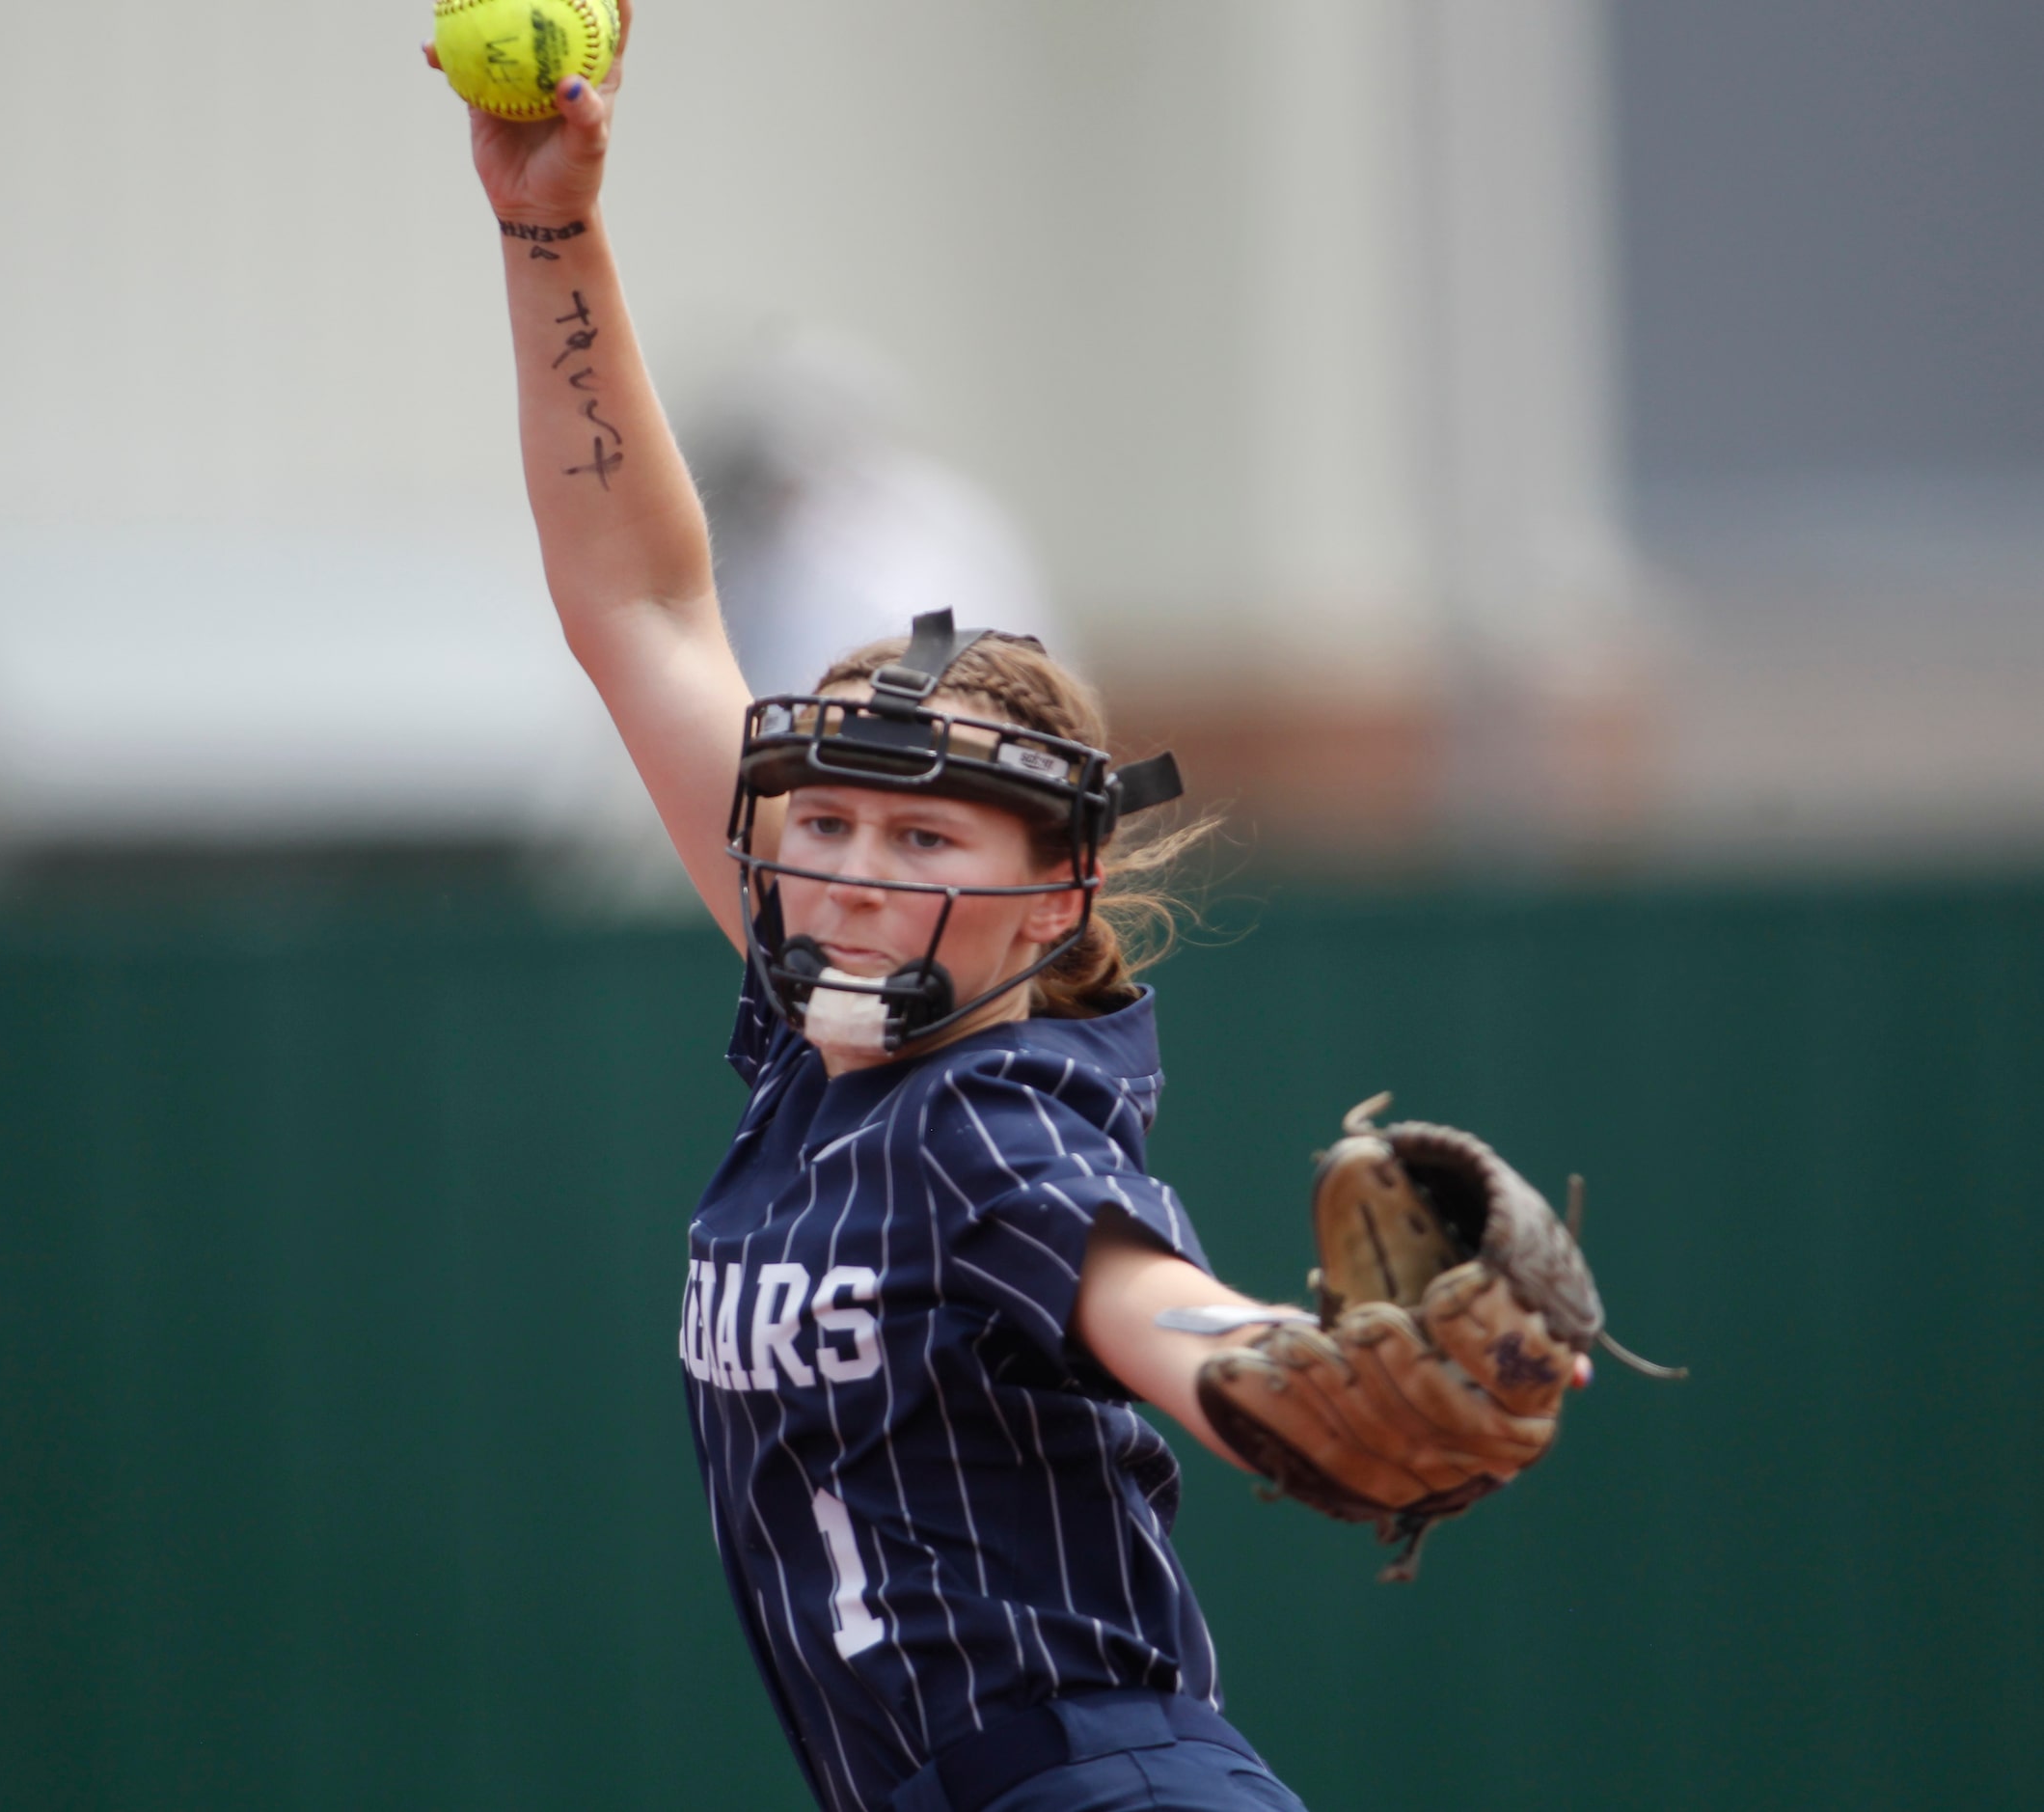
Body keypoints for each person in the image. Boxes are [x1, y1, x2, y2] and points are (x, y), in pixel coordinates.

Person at [429, 14, 1517, 1807]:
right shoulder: (822, 1032)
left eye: (930, 844)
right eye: (830, 818)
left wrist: (1292, 1371)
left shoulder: (987, 1125)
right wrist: (550, 229)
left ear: (1051, 899)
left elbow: (1149, 1304)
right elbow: (637, 605)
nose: (857, 868)